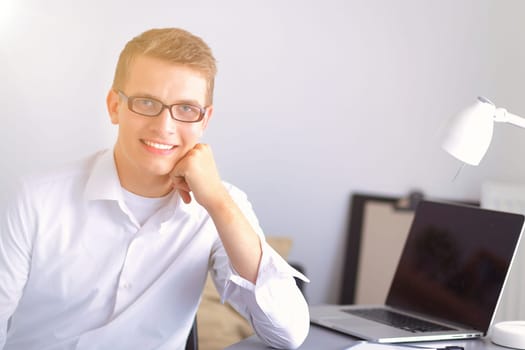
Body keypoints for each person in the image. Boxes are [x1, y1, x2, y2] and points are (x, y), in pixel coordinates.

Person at [0, 28, 309, 350]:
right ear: (114, 106)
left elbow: (287, 333)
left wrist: (217, 202)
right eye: (147, 102)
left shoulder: (220, 205)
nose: (164, 127)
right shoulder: (35, 199)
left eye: (187, 109)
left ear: (205, 120)